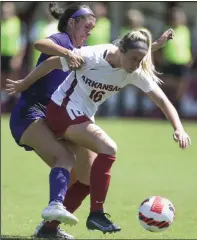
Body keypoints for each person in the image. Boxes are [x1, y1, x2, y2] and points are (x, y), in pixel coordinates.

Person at [7, 28, 191, 234]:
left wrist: (179, 128)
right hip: (61, 111)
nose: (137, 64)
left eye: (141, 59)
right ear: (120, 50)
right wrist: (24, 83)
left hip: (81, 118)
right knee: (109, 147)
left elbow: (162, 100)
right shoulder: (92, 56)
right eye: (133, 59)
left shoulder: (133, 70)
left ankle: (48, 230)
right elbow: (51, 62)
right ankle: (97, 214)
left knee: (87, 181)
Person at [8, 2, 96, 239]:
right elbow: (39, 43)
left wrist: (153, 46)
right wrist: (67, 53)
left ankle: (49, 230)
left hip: (57, 118)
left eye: (92, 27)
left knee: (87, 177)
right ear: (72, 22)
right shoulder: (63, 41)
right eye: (86, 25)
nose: (89, 31)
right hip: (30, 115)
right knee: (65, 157)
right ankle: (54, 205)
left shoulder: (86, 50)